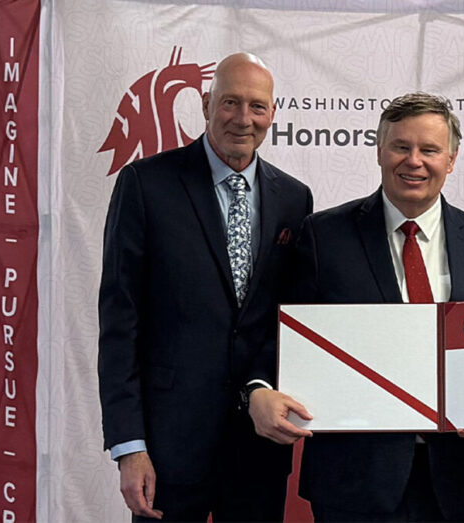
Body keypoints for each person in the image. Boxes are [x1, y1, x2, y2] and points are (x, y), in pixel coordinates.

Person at [98, 52, 313, 521]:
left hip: (258, 451)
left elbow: (289, 319)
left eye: (257, 106)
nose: (243, 118)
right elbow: (120, 323)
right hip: (168, 452)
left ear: (273, 113)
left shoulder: (295, 199)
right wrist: (129, 446)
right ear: (204, 103)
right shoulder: (145, 184)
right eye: (230, 102)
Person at [293, 92, 464, 521]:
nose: (414, 161)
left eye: (429, 149)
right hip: (354, 481)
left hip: (461, 480)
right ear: (379, 151)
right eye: (401, 146)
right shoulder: (323, 237)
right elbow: (291, 339)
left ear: (451, 160)